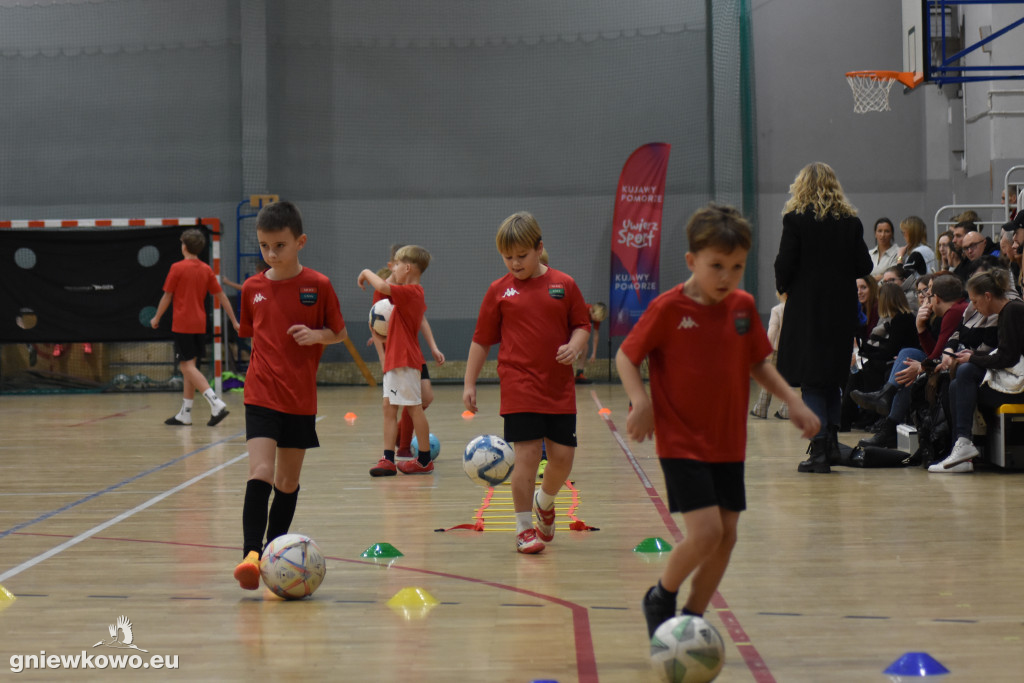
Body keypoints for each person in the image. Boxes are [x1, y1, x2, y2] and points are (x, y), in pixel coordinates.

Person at [617, 203, 818, 638]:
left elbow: (759, 365)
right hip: (681, 440)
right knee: (706, 532)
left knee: (727, 537)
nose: (726, 277)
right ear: (691, 261)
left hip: (729, 441)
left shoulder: (742, 307)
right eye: (716, 266)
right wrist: (640, 402)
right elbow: (626, 357)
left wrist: (794, 402)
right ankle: (661, 596)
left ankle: (691, 618)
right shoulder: (668, 309)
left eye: (737, 267)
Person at [232, 201, 347, 590]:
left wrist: (318, 336)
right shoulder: (253, 288)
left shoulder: (319, 285)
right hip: (261, 392)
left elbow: (339, 332)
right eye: (264, 246)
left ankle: (271, 553)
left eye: (279, 245)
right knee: (261, 472)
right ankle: (250, 555)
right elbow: (252, 333)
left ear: (300, 242)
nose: (270, 254)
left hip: (300, 399)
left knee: (286, 482)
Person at [463, 211, 591, 554]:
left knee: (563, 457)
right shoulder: (498, 291)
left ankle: (545, 502)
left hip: (558, 387)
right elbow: (481, 340)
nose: (515, 264)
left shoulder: (564, 285)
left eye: (522, 256)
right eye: (508, 257)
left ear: (539, 249)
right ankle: (523, 529)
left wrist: (576, 345)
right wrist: (469, 382)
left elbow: (582, 324)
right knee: (527, 455)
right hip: (519, 385)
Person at [775, 162, 873, 473]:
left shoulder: (795, 220)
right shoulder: (850, 222)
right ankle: (830, 445)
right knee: (832, 379)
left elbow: (784, 264)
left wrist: (786, 287)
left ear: (801, 185)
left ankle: (818, 452)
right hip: (841, 309)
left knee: (812, 381)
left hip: (807, 308)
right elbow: (865, 266)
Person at [853, 274, 967, 448]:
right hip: (944, 361)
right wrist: (922, 329)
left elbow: (936, 354)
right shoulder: (943, 314)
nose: (924, 296)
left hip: (954, 364)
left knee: (907, 361)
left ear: (936, 297)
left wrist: (921, 364)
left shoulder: (953, 312)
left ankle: (886, 413)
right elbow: (933, 351)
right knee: (907, 359)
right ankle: (886, 409)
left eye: (927, 292)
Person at [931, 268, 1024, 473]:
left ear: (988, 296)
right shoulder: (1008, 311)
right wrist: (971, 358)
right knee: (957, 381)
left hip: (1020, 386)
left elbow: (1008, 357)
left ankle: (963, 444)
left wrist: (973, 358)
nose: (974, 306)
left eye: (975, 301)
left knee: (965, 373)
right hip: (1015, 377)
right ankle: (962, 450)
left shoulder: (1012, 311)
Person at [359, 245, 437, 476]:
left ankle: (423, 459)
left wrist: (365, 272)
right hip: (397, 357)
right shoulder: (411, 293)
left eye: (397, 265)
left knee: (413, 408)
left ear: (407, 267)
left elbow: (383, 285)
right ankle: (388, 459)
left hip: (404, 358)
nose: (393, 269)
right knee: (389, 408)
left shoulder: (412, 291)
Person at [151, 228, 240, 426]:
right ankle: (186, 413)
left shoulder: (177, 268)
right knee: (190, 368)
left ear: (184, 246)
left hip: (183, 324)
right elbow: (221, 296)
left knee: (186, 366)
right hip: (200, 324)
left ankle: (215, 402)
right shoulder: (206, 269)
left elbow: (167, 296)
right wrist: (234, 320)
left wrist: (156, 317)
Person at [750, 292, 789, 420]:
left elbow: (772, 331)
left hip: (776, 350)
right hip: (791, 351)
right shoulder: (796, 309)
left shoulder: (777, 310)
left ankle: (761, 409)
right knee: (788, 380)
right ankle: (786, 410)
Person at [574, 302, 609, 384]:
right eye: (596, 319)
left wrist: (594, 353)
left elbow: (596, 335)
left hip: (578, 332)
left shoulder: (596, 316)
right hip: (571, 329)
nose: (596, 321)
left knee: (585, 347)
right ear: (592, 311)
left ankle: (579, 374)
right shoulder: (583, 309)